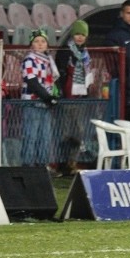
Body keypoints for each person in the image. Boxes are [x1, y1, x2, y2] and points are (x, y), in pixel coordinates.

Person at [55, 19, 92, 175]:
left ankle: (71, 163)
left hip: (80, 97)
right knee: (65, 133)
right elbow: (60, 73)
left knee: (78, 132)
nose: (79, 37)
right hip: (67, 96)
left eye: (82, 34)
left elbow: (88, 73)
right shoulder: (65, 51)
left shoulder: (85, 54)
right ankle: (62, 164)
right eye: (77, 34)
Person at [20, 29, 60, 168]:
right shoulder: (29, 60)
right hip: (32, 103)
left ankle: (42, 166)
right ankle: (28, 166)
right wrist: (47, 97)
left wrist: (53, 96)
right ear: (31, 45)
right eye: (36, 41)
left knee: (45, 137)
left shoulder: (49, 61)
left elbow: (51, 82)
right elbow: (32, 82)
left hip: (45, 104)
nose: (40, 44)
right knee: (31, 136)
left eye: (43, 41)